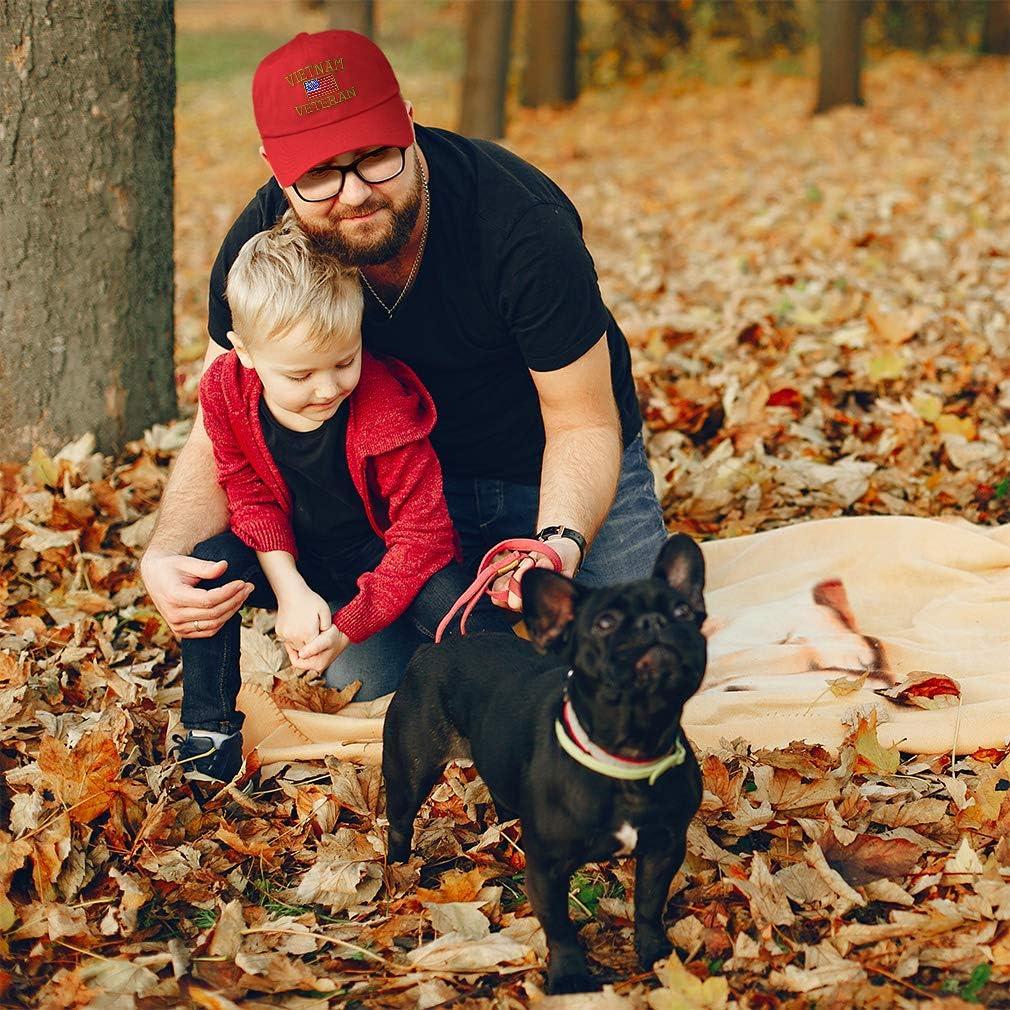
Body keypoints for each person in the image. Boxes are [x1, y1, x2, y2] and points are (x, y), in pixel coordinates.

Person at [141, 29, 668, 685]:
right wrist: (165, 553)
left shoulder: (520, 225)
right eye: (319, 173)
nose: (355, 193)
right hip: (394, 500)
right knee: (368, 686)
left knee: (640, 658)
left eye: (375, 157)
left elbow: (582, 421)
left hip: (550, 468)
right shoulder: (260, 247)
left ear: (409, 124)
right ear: (275, 167)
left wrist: (559, 540)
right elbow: (220, 425)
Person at [177, 212, 510, 783]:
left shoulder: (386, 410)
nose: (327, 387)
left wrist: (350, 625)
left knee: (454, 602)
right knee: (207, 568)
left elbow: (423, 540)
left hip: (385, 561)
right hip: (296, 561)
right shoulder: (225, 389)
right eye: (300, 376)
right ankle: (209, 729)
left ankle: (514, 697)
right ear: (245, 352)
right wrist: (289, 587)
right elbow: (247, 492)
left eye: (343, 361)